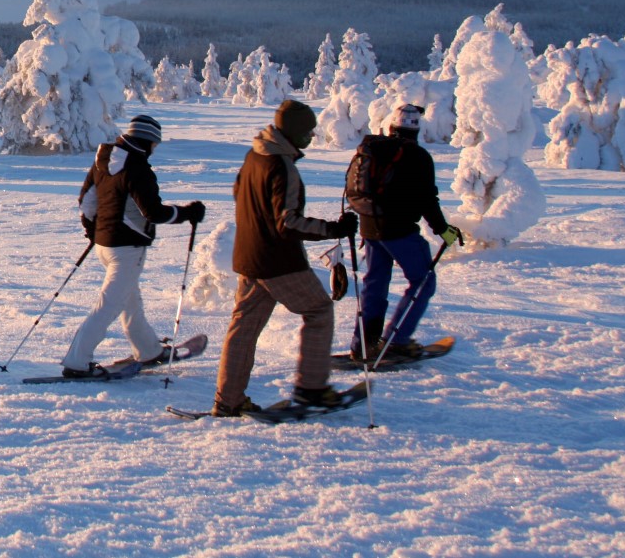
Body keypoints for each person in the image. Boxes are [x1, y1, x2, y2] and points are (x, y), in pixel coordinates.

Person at [212, 99, 356, 415]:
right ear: (294, 133)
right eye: (308, 131)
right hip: (277, 261)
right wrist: (335, 229)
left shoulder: (255, 156)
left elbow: (240, 194)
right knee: (318, 310)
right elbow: (287, 222)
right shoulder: (281, 166)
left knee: (244, 329)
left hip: (249, 256)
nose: (311, 137)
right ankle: (312, 390)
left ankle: (228, 400)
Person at [60, 114, 206, 379]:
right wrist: (188, 213)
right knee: (109, 306)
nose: (154, 150)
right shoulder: (138, 169)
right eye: (155, 145)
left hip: (105, 246)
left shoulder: (103, 160)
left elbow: (87, 203)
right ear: (147, 141)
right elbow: (154, 213)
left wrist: (95, 231)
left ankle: (148, 350)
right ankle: (77, 362)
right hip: (127, 249)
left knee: (129, 302)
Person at [350, 103, 463, 361]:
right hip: (399, 231)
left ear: (392, 127)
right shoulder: (418, 156)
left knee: (375, 283)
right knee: (423, 282)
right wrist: (443, 231)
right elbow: (427, 200)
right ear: (416, 131)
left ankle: (362, 346)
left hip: (369, 227)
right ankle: (396, 341)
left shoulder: (372, 149)